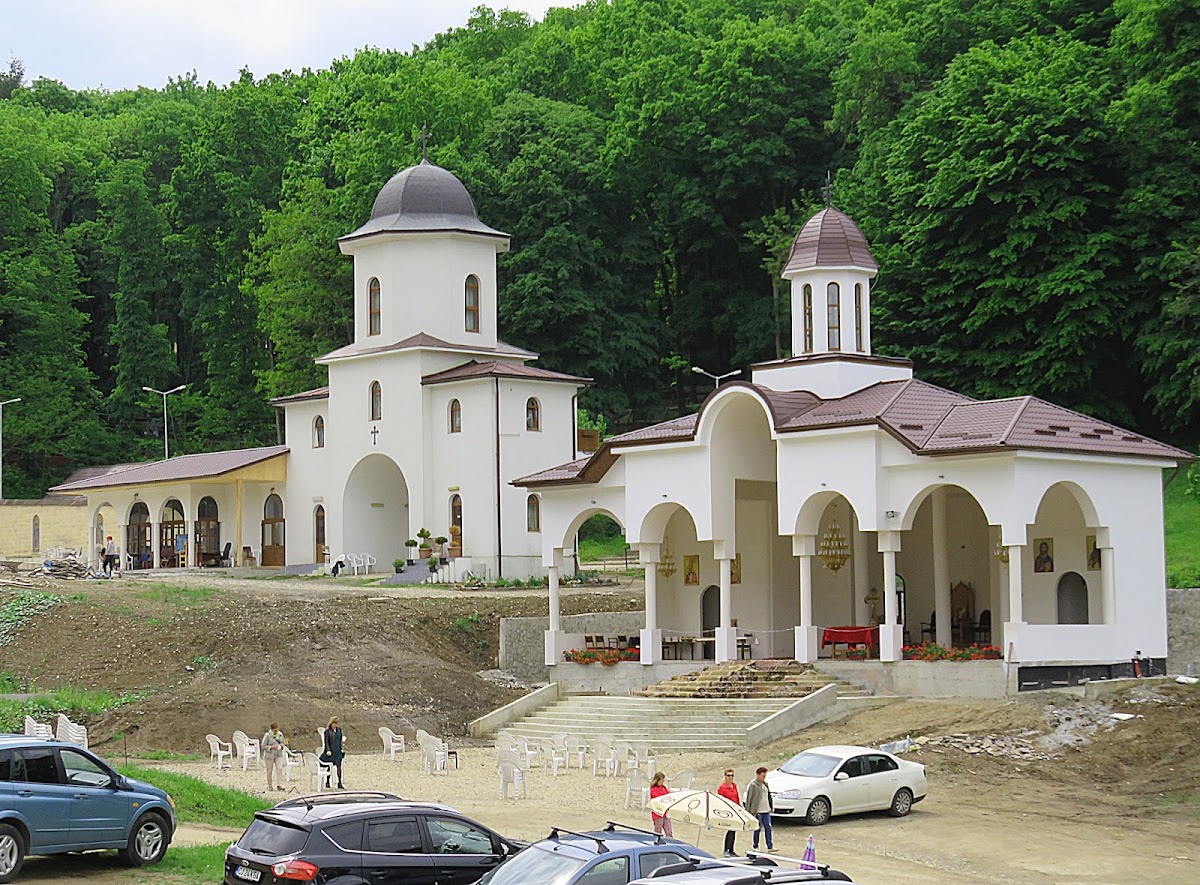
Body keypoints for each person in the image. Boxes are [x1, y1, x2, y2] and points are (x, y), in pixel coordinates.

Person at [744, 766, 773, 852]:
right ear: (758, 775)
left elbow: (768, 796)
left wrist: (771, 806)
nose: (764, 777)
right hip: (758, 811)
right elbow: (749, 798)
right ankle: (755, 845)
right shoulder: (753, 785)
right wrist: (748, 811)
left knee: (768, 828)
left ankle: (770, 846)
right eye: (762, 775)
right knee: (758, 829)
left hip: (766, 810)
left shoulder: (765, 784)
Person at [717, 769, 740, 857]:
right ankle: (726, 849)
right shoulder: (722, 787)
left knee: (734, 830)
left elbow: (737, 797)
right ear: (725, 776)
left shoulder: (734, 785)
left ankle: (731, 849)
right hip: (728, 811)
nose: (730, 777)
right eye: (728, 775)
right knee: (730, 829)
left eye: (732, 775)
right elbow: (720, 800)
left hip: (735, 810)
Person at [321, 716, 346, 789]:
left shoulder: (339, 730)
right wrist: (328, 750)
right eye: (334, 723)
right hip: (331, 751)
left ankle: (339, 782)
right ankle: (328, 781)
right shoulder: (327, 731)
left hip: (338, 751)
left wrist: (342, 743)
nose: (335, 725)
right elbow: (326, 742)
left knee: (339, 767)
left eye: (336, 723)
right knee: (330, 766)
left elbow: (339, 739)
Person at [262, 723, 287, 791]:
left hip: (278, 754)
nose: (276, 731)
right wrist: (271, 747)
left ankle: (279, 784)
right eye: (274, 730)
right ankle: (270, 785)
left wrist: (281, 745)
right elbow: (263, 746)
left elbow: (283, 742)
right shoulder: (267, 735)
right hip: (269, 755)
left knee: (279, 768)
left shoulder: (280, 734)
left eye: (277, 730)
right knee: (269, 770)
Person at [649, 771, 673, 837]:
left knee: (669, 832)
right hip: (658, 814)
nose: (662, 782)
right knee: (658, 833)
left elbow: (668, 795)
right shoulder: (653, 790)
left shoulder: (663, 788)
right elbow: (658, 799)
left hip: (665, 813)